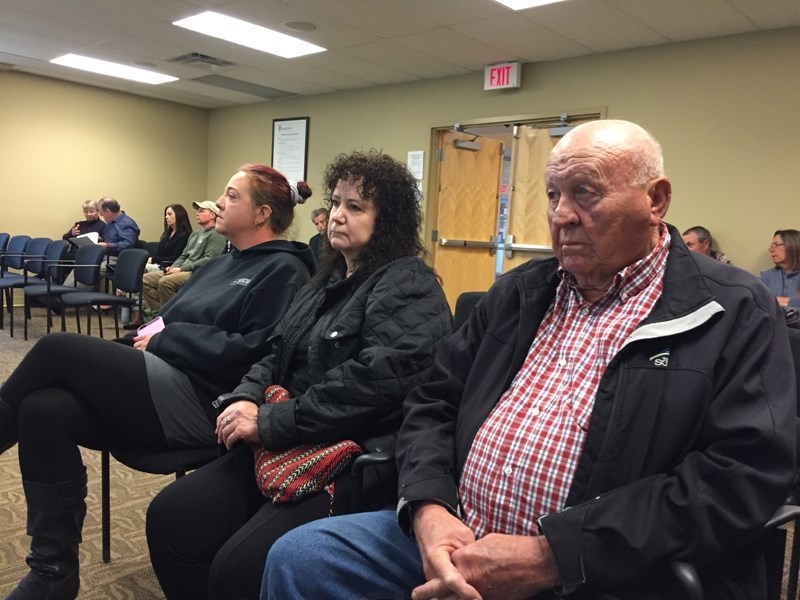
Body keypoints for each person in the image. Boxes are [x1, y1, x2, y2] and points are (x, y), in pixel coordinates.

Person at [262, 121, 797, 600]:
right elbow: (432, 403)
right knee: (302, 560)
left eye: (585, 193)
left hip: (600, 570)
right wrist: (428, 510)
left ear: (656, 201)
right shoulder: (517, 294)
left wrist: (553, 555)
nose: (561, 216)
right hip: (456, 535)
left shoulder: (730, 309)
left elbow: (741, 476)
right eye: (552, 194)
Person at [145, 150, 452, 600]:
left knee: (235, 571)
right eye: (337, 204)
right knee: (170, 518)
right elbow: (274, 350)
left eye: (356, 207)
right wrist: (246, 398)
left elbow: (374, 385)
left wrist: (269, 421)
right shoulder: (326, 279)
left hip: (349, 457)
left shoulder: (407, 283)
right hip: (288, 440)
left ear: (388, 222)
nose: (337, 217)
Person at [0, 163, 316, 600]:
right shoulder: (220, 264)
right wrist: (129, 343)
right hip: (157, 383)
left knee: (56, 348)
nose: (218, 203)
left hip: (204, 401)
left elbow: (255, 353)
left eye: (231, 195)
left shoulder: (285, 271)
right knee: (43, 409)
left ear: (262, 213)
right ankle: (53, 570)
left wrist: (167, 340)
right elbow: (159, 323)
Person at [131, 200, 227, 327]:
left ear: (213, 215)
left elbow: (209, 259)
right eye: (197, 210)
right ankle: (160, 314)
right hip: (183, 269)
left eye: (202, 211)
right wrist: (174, 267)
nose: (197, 213)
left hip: (197, 272)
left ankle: (171, 318)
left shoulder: (216, 234)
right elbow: (184, 255)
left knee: (165, 282)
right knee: (145, 280)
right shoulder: (196, 234)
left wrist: (181, 269)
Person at [62, 196, 140, 289]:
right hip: (106, 256)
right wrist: (100, 240)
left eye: (101, 213)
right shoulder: (110, 223)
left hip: (118, 258)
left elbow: (128, 245)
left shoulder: (127, 224)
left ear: (108, 211)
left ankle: (72, 294)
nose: (101, 216)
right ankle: (66, 289)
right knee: (83, 262)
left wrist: (107, 245)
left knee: (92, 268)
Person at [144, 203, 193, 272]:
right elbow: (158, 253)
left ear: (179, 216)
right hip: (157, 265)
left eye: (169, 214)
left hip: (168, 267)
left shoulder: (185, 236)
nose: (166, 217)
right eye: (166, 214)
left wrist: (153, 259)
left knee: (138, 269)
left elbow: (175, 258)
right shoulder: (167, 234)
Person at [760, 229, 800, 308]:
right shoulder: (764, 277)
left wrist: (772, 301)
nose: (771, 250)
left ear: (792, 245)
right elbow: (757, 301)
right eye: (771, 246)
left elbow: (765, 301)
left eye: (776, 245)